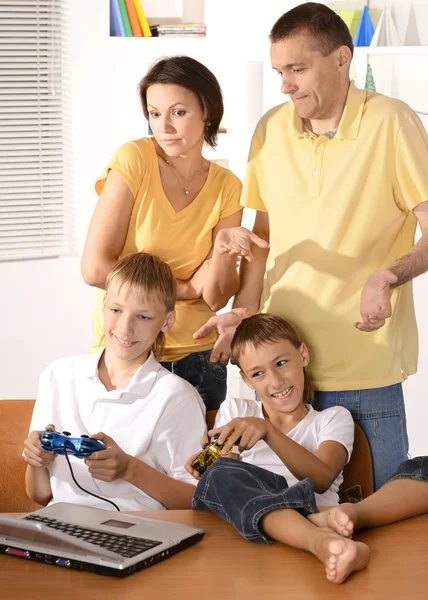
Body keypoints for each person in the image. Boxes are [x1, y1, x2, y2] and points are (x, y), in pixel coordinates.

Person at [194, 2, 428, 490]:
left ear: (341, 59)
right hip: (282, 366)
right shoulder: (270, 129)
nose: (285, 84)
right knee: (286, 511)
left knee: (379, 508)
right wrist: (245, 315)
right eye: (281, 70)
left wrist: (387, 275)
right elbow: (263, 242)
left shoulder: (393, 122)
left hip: (365, 363)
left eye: (298, 68)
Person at [81, 55, 243, 414]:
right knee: (118, 463)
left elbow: (215, 297)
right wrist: (183, 288)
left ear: (208, 113)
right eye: (155, 113)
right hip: (129, 345)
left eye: (178, 112)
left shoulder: (228, 187)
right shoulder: (135, 159)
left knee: (199, 468)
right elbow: (94, 269)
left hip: (200, 355)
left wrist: (219, 249)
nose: (164, 127)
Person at [186, 314, 370, 584]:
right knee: (221, 474)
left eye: (281, 363)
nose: (276, 382)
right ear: (247, 380)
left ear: (303, 355)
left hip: (314, 510)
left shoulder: (332, 418)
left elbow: (321, 479)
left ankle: (317, 538)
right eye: (258, 373)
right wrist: (208, 465)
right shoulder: (237, 410)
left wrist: (268, 431)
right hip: (253, 532)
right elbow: (227, 477)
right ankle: (316, 534)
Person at [23, 252, 207, 511]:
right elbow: (40, 495)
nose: (125, 327)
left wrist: (130, 469)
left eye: (143, 317)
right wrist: (36, 461)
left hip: (138, 531)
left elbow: (196, 500)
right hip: (64, 527)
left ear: (167, 320)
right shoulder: (58, 376)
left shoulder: (176, 396)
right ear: (104, 303)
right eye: (116, 310)